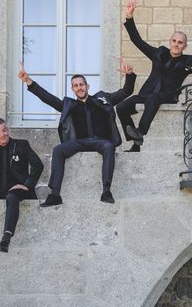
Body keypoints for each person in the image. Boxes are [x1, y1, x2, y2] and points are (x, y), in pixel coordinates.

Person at [117, 0, 192, 152]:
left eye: (180, 42)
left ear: (184, 46)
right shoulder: (157, 54)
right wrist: (129, 17)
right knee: (121, 107)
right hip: (147, 93)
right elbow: (137, 41)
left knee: (154, 98)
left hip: (166, 96)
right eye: (174, 41)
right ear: (170, 42)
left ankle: (140, 132)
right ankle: (136, 142)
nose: (176, 44)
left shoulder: (187, 63)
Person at [18, 59, 136, 205]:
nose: (79, 88)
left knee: (109, 146)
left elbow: (126, 91)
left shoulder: (102, 99)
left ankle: (106, 191)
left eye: (81, 84)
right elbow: (47, 98)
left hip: (100, 141)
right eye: (75, 86)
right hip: (78, 142)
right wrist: (29, 81)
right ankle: (55, 195)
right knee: (58, 150)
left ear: (87, 86)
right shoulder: (69, 105)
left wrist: (129, 76)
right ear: (73, 89)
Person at [0, 119, 44, 253]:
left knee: (12, 197)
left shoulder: (21, 145)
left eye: (5, 130)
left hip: (19, 190)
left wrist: (27, 185)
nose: (4, 134)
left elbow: (38, 164)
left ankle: (6, 238)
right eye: (0, 132)